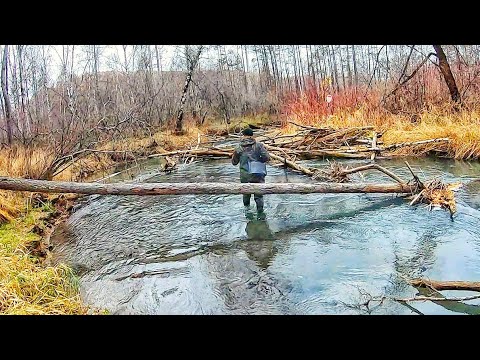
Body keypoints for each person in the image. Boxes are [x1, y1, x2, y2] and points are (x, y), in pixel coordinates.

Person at [232, 127, 270, 213]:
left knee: (246, 193)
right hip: (258, 173)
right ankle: (260, 215)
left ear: (243, 135)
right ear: (252, 135)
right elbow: (267, 157)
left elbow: (234, 162)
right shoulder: (259, 145)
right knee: (259, 195)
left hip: (244, 174)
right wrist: (260, 161)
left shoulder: (238, 147)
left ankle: (247, 213)